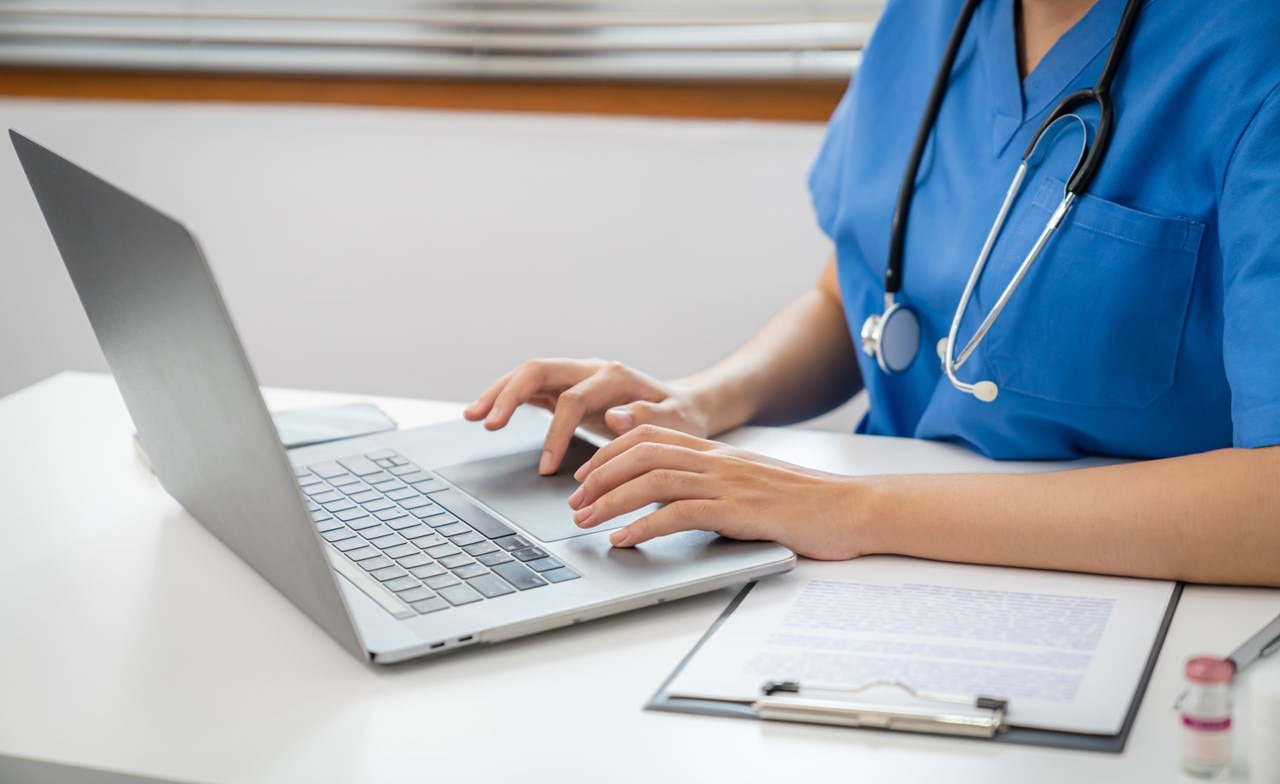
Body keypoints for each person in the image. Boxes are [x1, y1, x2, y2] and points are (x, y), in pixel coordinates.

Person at [465, 0, 1280, 586]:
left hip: (1127, 582)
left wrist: (852, 510)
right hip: (869, 565)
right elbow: (855, 302)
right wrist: (697, 402)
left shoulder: (1251, 53)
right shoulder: (928, 20)